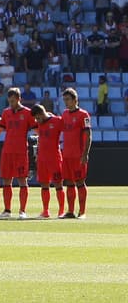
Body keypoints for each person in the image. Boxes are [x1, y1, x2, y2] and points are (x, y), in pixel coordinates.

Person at [0, 88, 36, 219]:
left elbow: (37, 129)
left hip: (20, 151)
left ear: (19, 99)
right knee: (6, 180)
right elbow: (0, 127)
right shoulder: (6, 112)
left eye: (13, 101)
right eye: (10, 101)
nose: (11, 104)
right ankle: (7, 210)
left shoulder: (27, 113)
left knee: (22, 180)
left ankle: (22, 211)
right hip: (7, 151)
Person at [59, 88, 91, 218]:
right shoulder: (65, 114)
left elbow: (89, 135)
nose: (66, 102)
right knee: (69, 182)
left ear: (75, 100)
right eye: (64, 100)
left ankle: (82, 212)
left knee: (80, 182)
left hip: (78, 155)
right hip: (66, 155)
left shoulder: (84, 115)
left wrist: (85, 153)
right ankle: (70, 211)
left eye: (68, 99)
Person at [31, 104, 66, 218]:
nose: (37, 120)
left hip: (54, 158)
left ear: (42, 114)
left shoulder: (57, 121)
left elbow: (68, 131)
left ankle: (61, 211)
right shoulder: (40, 124)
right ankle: (45, 211)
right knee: (44, 185)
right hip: (42, 158)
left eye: (37, 118)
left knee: (58, 184)